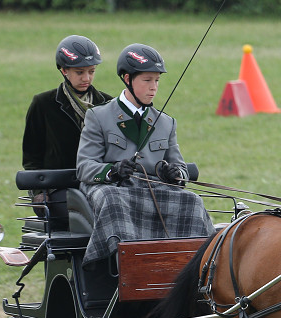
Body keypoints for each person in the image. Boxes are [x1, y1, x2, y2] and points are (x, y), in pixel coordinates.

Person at [76, 43, 214, 268]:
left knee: (192, 200)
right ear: (127, 79)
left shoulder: (166, 122)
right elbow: (84, 166)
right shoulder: (98, 116)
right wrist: (112, 170)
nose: (154, 88)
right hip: (113, 188)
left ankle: (190, 269)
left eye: (157, 81)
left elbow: (179, 168)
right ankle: (126, 269)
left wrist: (175, 174)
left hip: (154, 189)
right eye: (147, 80)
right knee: (112, 201)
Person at [21, 35, 114, 211]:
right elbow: (32, 157)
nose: (86, 78)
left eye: (91, 71)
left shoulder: (109, 104)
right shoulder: (43, 104)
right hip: (59, 187)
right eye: (80, 72)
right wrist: (39, 192)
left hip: (101, 185)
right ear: (64, 71)